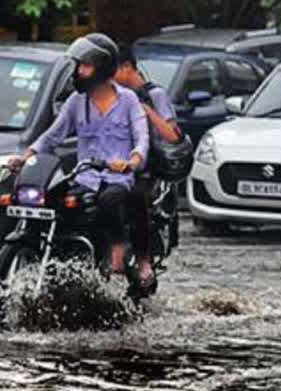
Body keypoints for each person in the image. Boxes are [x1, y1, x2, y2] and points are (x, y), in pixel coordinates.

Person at [9, 33, 149, 273]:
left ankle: (118, 249)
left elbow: (142, 137)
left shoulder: (128, 100)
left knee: (110, 200)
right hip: (84, 177)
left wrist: (131, 161)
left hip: (117, 178)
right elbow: (53, 135)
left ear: (101, 66)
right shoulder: (76, 101)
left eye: (85, 65)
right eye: (78, 65)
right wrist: (25, 157)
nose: (79, 72)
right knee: (56, 202)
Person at [114, 44, 182, 285]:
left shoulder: (156, 95)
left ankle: (142, 260)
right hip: (121, 165)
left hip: (148, 170)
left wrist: (145, 111)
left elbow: (173, 135)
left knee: (134, 196)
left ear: (127, 68)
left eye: (113, 71)